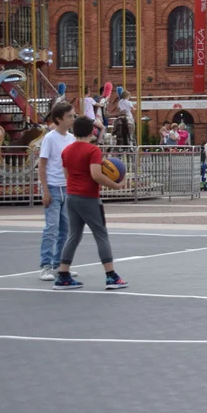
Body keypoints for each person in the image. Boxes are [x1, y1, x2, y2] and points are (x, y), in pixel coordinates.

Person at [53, 116, 128, 290]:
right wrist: (116, 186)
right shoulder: (92, 150)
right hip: (88, 197)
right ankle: (111, 276)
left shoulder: (66, 150)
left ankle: (63, 275)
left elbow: (67, 175)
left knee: (74, 235)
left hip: (71, 197)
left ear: (74, 130)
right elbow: (96, 174)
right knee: (101, 235)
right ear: (92, 131)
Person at [38, 103, 79, 281]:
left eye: (73, 116)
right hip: (54, 188)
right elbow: (42, 164)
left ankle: (60, 264)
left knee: (66, 229)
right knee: (51, 228)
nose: (72, 119)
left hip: (67, 188)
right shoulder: (50, 138)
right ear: (59, 118)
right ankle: (45, 266)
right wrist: (45, 190)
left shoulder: (71, 139)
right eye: (70, 116)